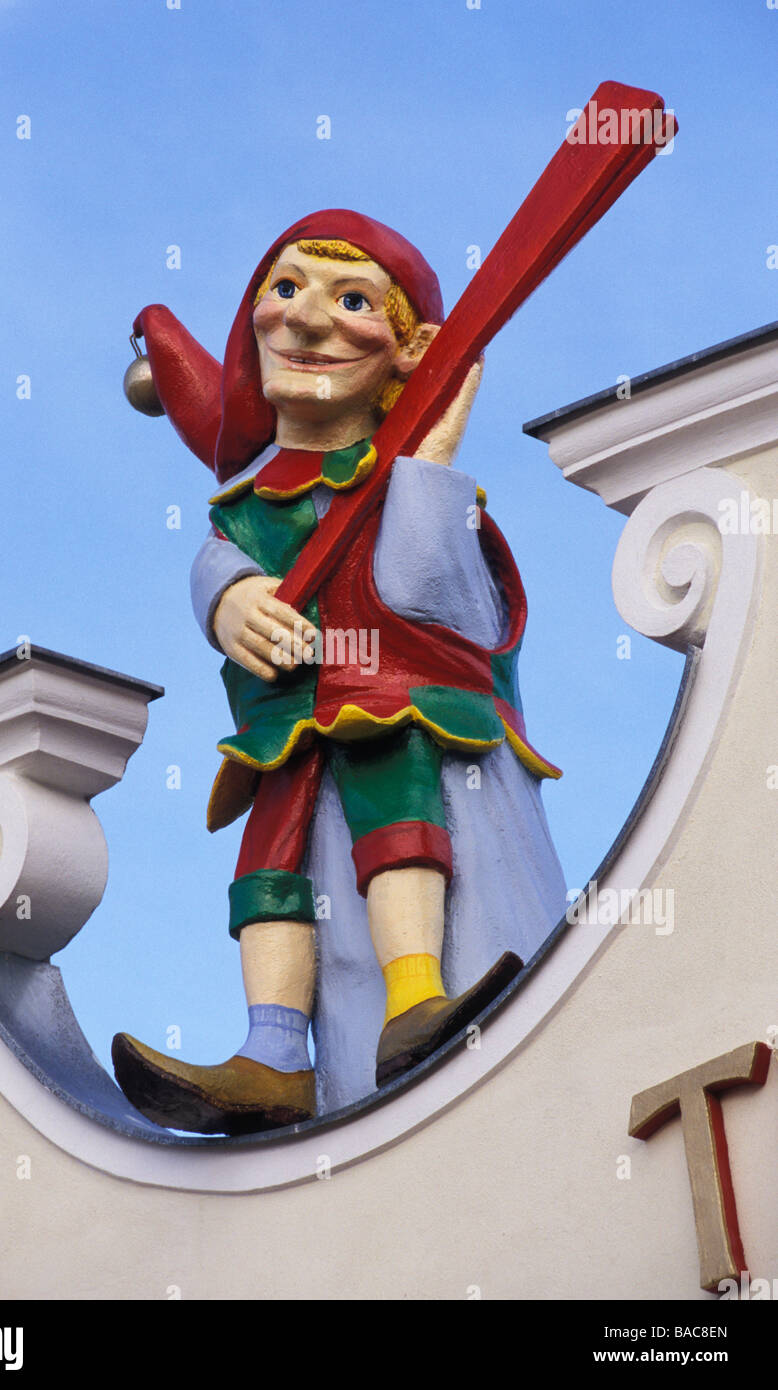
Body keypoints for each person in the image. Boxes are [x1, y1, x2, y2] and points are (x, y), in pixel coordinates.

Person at [113, 210, 566, 1135]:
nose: (306, 319)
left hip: (400, 717)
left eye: (351, 299)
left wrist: (432, 454)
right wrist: (233, 603)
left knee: (402, 830)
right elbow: (221, 573)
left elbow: (433, 597)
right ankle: (274, 1052)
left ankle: (415, 998)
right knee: (269, 877)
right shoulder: (240, 510)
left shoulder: (413, 483)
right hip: (287, 735)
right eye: (284, 290)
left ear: (412, 353)